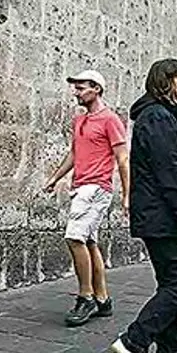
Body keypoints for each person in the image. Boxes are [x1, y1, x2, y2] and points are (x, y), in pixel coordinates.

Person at [110, 59, 177, 353]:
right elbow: (171, 173)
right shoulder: (159, 118)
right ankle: (133, 341)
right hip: (162, 217)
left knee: (170, 282)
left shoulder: (163, 116)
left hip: (158, 215)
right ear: (165, 82)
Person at [43, 69, 130, 327]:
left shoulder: (110, 120)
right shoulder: (79, 121)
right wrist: (55, 178)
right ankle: (102, 299)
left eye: (81, 88)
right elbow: (74, 153)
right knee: (89, 242)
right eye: (76, 88)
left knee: (74, 237)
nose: (76, 93)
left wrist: (127, 195)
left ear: (97, 89)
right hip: (80, 187)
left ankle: (86, 297)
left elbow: (122, 158)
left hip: (97, 188)